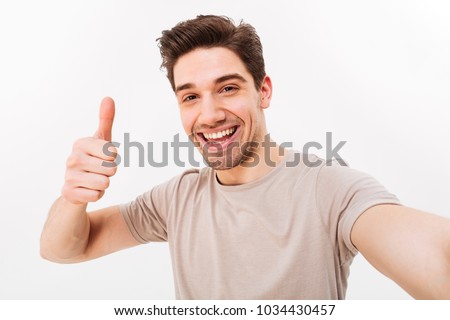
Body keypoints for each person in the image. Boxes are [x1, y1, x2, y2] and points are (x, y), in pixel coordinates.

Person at [40, 15, 450, 299]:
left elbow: (434, 257)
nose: (210, 113)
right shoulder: (177, 198)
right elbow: (63, 249)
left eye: (228, 88)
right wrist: (73, 198)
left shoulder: (332, 190)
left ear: (264, 91)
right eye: (190, 96)